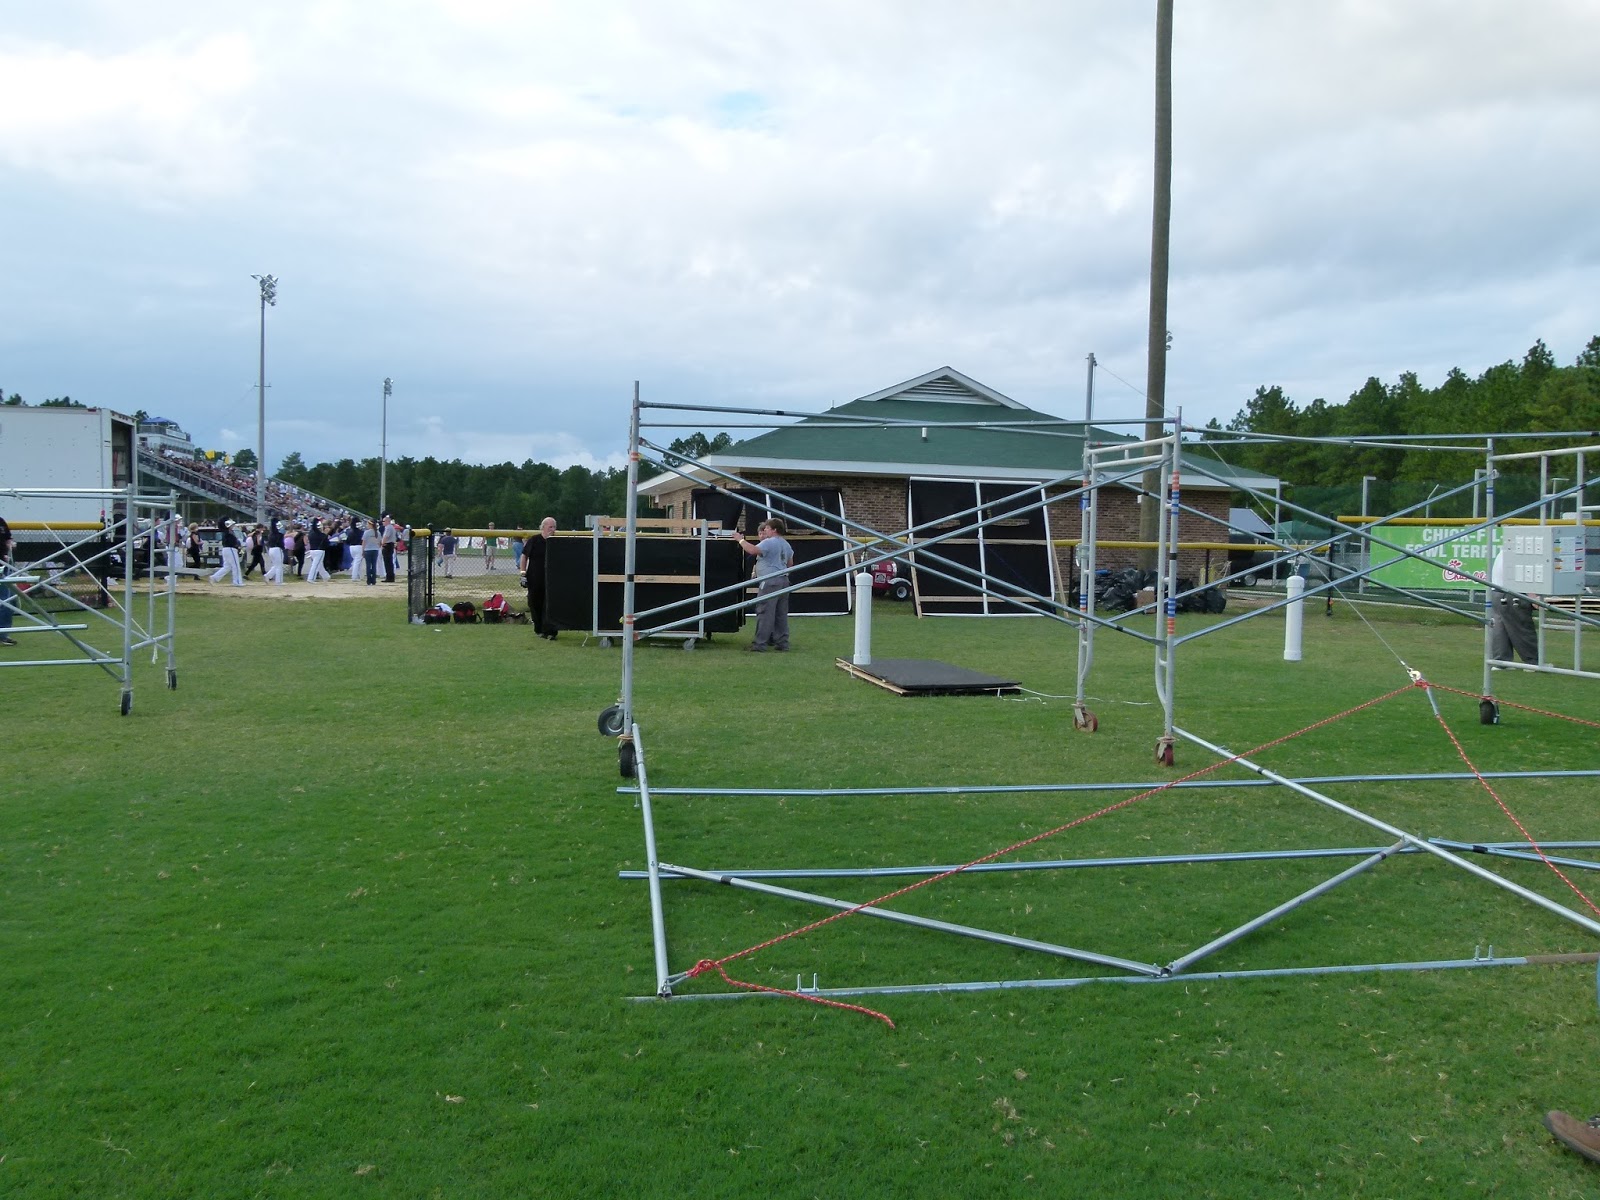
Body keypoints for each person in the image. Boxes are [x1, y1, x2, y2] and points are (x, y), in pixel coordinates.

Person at [736, 517, 794, 652]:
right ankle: (782, 643)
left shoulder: (769, 542)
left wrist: (740, 539)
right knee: (780, 614)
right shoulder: (786, 544)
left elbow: (752, 550)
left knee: (765, 612)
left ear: (774, 530)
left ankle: (760, 643)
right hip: (784, 581)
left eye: (767, 528)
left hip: (769, 582)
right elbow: (790, 563)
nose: (765, 530)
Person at [1488, 547, 1537, 665]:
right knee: (1522, 627)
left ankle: (1501, 661)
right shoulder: (1520, 553)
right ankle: (1532, 662)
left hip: (1497, 591)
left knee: (1500, 627)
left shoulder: (1503, 551)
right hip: (1513, 593)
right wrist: (1533, 596)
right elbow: (1524, 575)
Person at [520, 516, 557, 640]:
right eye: (550, 527)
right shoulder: (534, 540)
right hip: (535, 578)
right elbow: (524, 556)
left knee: (550, 604)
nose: (553, 529)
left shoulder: (555, 542)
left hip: (551, 579)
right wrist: (522, 573)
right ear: (543, 527)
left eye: (554, 527)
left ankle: (551, 631)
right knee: (534, 603)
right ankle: (539, 628)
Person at [208, 519, 245, 586]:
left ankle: (214, 577)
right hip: (230, 549)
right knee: (235, 566)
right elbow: (232, 542)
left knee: (227, 567)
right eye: (232, 525)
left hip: (226, 550)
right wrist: (237, 546)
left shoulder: (227, 532)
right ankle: (237, 582)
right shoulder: (228, 533)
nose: (233, 526)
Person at [0, 515, 17, 645]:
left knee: (8, 600)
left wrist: (10, 544)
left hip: (4, 567)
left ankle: (3, 635)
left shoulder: (1, 521)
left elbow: (8, 538)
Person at [361, 519, 381, 585]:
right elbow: (379, 542)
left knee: (368, 565)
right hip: (375, 550)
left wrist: (363, 550)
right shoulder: (378, 533)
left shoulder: (366, 532)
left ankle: (369, 580)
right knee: (374, 565)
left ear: (370, 525)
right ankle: (374, 579)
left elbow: (364, 542)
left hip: (367, 550)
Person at [380, 514, 399, 583]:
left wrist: (382, 544)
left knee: (387, 562)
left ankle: (389, 577)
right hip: (390, 545)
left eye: (384, 521)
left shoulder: (388, 528)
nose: (383, 522)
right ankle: (390, 576)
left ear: (388, 521)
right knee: (389, 561)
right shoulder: (391, 527)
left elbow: (386, 537)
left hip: (387, 545)